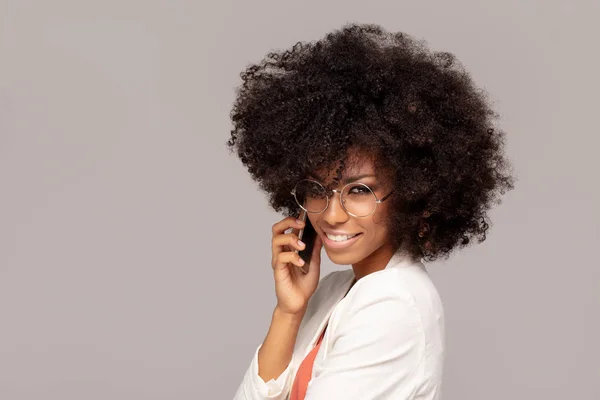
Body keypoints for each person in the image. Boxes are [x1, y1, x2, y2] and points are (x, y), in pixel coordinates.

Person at [227, 23, 515, 400]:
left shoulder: (394, 303)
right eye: (317, 190)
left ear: (413, 192)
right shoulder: (336, 291)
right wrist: (289, 312)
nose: (331, 214)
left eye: (359, 190)